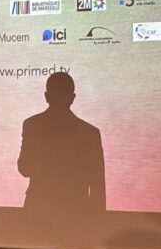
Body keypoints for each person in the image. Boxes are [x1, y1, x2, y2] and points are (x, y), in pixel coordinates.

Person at [17, 72, 105, 221]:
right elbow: (97, 185)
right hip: (76, 212)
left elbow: (24, 168)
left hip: (38, 209)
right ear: (72, 98)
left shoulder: (31, 125)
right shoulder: (90, 133)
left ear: (46, 96)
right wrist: (97, 221)